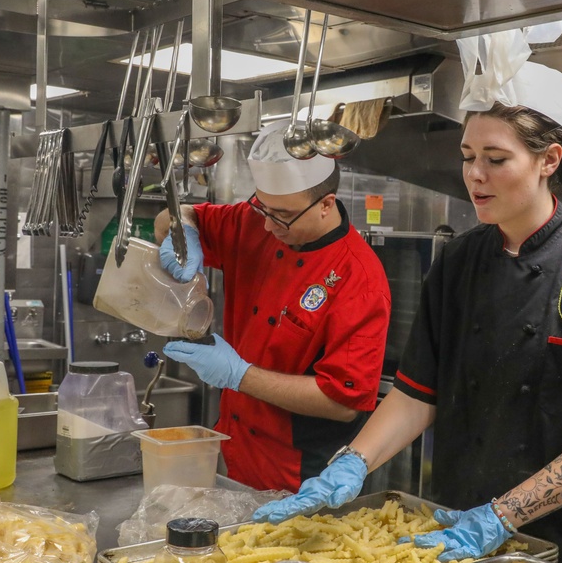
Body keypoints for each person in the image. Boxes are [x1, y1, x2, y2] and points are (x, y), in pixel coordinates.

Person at [253, 61, 562, 563]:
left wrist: (504, 514)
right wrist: (351, 464)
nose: (474, 175)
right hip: (467, 538)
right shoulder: (457, 260)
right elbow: (417, 392)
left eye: (496, 159)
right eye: (467, 157)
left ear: (549, 160)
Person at [155, 122, 391, 493]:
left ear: (326, 204)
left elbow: (343, 402)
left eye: (281, 214)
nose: (267, 225)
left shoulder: (358, 279)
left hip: (299, 475)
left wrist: (239, 375)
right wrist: (181, 234)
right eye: (261, 207)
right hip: (234, 451)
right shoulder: (253, 221)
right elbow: (176, 214)